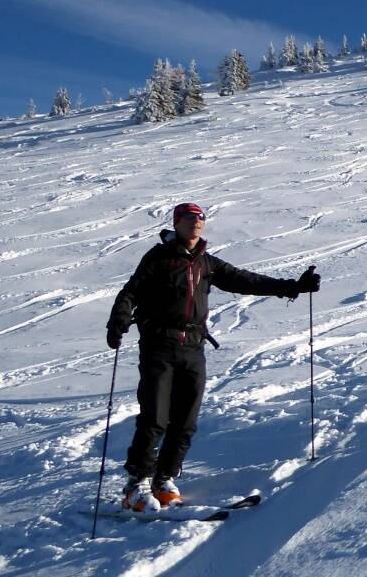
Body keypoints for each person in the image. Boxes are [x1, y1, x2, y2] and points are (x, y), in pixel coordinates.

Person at [105, 202, 321, 511]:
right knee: (155, 417)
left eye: (200, 218)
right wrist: (118, 320)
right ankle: (135, 486)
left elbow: (245, 280)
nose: (196, 222)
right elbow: (130, 292)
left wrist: (292, 287)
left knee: (186, 420)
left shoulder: (206, 263)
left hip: (193, 348)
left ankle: (163, 479)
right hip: (159, 346)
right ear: (177, 223)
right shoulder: (158, 258)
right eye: (189, 217)